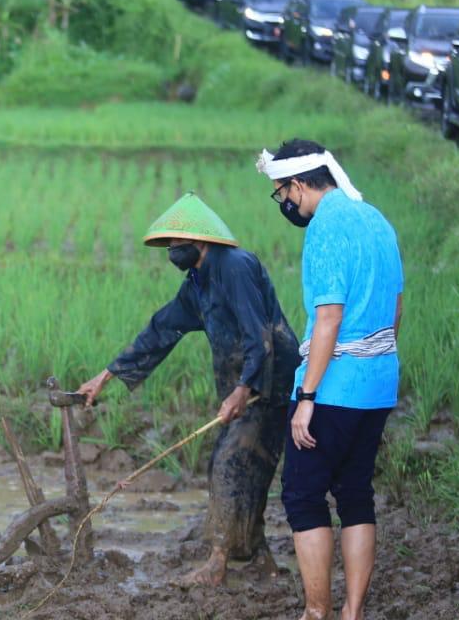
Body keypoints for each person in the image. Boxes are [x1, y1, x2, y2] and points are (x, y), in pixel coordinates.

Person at [78, 192, 298, 587]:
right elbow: (162, 329)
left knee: (231, 464)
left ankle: (218, 562)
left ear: (202, 240)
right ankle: (259, 557)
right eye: (168, 244)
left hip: (269, 384)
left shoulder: (235, 266)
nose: (171, 251)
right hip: (244, 387)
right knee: (242, 466)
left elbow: (259, 335)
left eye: (177, 243)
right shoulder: (197, 282)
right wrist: (107, 375)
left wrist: (243, 389)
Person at [257, 140, 402, 620]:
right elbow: (396, 308)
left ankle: (316, 612)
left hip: (334, 387)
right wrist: (374, 363)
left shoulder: (325, 228)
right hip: (378, 383)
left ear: (299, 185)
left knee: (302, 495)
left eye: (283, 194)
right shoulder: (376, 219)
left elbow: (329, 317)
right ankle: (352, 612)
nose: (286, 205)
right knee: (356, 492)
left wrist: (308, 396)